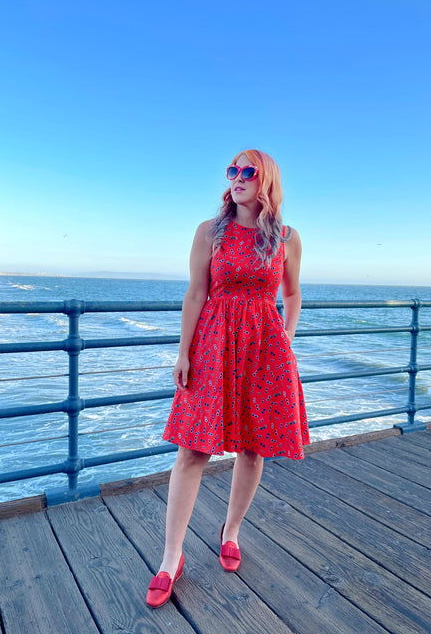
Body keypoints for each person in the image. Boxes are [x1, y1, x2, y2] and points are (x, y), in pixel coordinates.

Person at [146, 149, 309, 608]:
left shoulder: (287, 238)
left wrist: (286, 340)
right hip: (213, 345)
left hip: (265, 350)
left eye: (247, 171)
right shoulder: (209, 231)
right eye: (232, 170)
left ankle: (231, 531)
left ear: (267, 181)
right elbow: (195, 293)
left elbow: (293, 294)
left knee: (254, 448)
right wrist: (183, 352)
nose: (237, 177)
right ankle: (171, 557)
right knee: (192, 449)